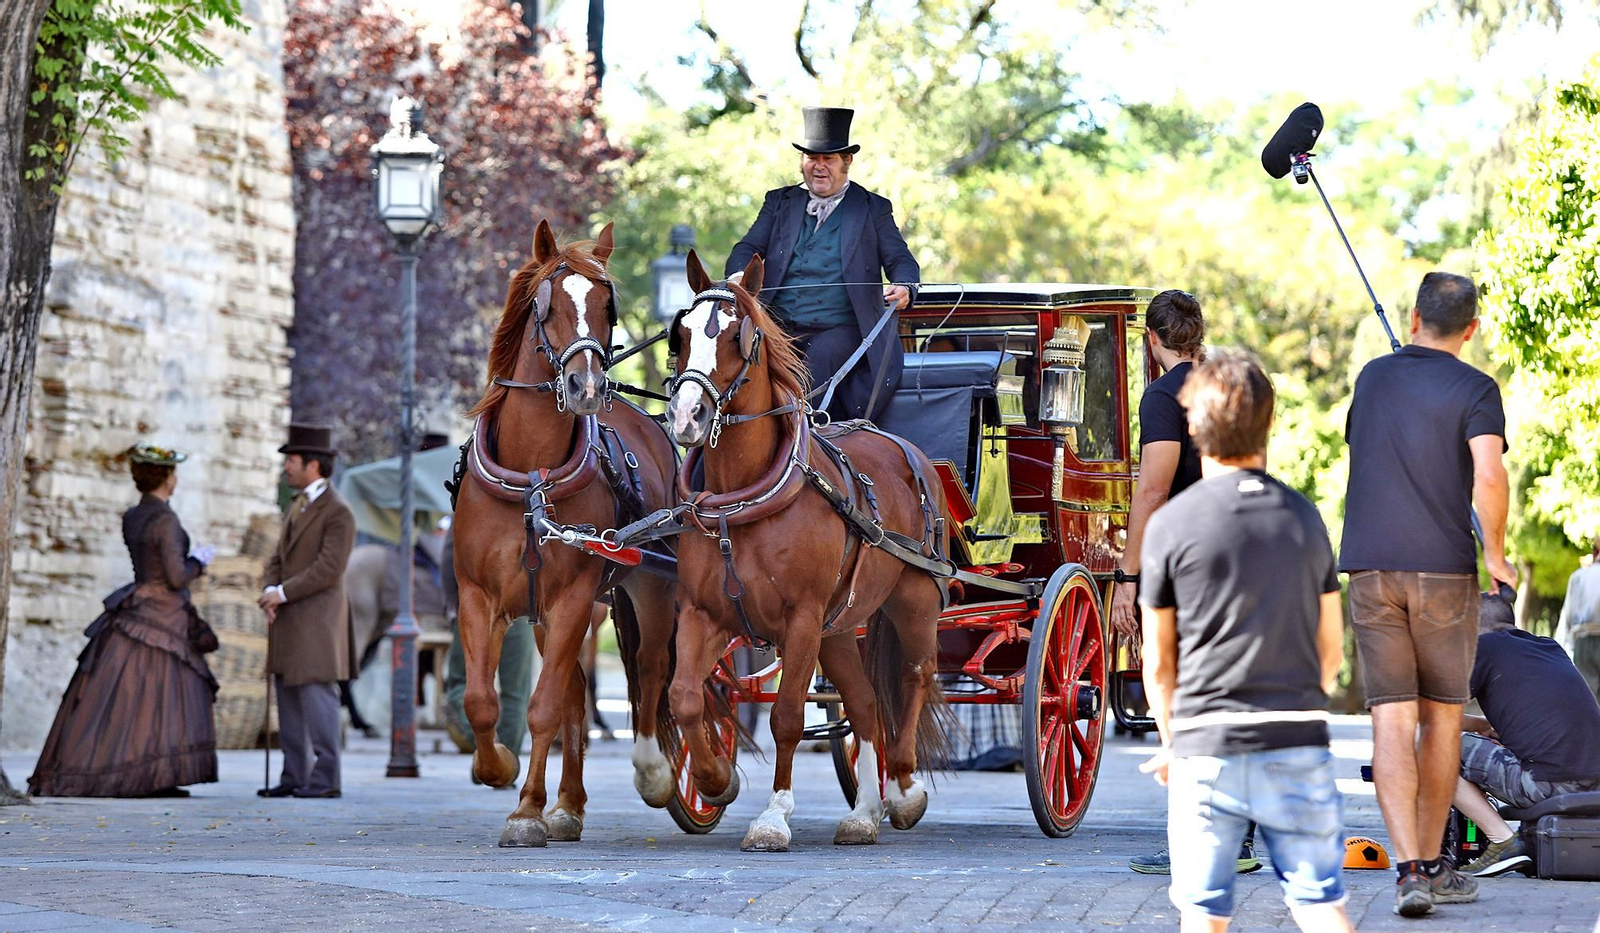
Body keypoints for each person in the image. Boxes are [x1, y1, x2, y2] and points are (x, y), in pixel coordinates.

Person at [1139, 350, 1352, 933]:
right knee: (1320, 904)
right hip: (1297, 740)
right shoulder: (1304, 517)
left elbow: (1158, 662)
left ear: (1194, 428)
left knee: (1204, 914)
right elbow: (1330, 645)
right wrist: (1305, 702)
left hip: (1205, 744)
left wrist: (1168, 739)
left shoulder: (1170, 528)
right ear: (1269, 424)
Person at [1339, 271, 1514, 916]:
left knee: (1391, 718)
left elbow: (1368, 444)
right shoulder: (1477, 389)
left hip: (1370, 570)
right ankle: (1438, 869)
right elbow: (1489, 475)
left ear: (1414, 318)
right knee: (1440, 717)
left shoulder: (1372, 378)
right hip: (1442, 571)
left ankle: (1410, 869)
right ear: (1471, 329)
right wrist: (1494, 554)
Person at [1110, 290, 1260, 876]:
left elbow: (1152, 490)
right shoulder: (1235, 386)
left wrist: (1126, 575)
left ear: (1152, 341)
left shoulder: (1163, 396)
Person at [29, 443, 219, 798]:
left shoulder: (133, 515)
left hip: (137, 606)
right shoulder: (166, 519)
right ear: (165, 477)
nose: (176, 479)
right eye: (173, 473)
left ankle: (149, 774)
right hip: (164, 613)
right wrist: (200, 561)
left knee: (137, 695)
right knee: (160, 695)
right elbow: (176, 577)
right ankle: (149, 775)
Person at [725, 106, 920, 422]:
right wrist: (737, 276)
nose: (818, 167)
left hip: (840, 328)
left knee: (819, 358)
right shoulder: (778, 202)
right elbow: (748, 247)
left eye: (828, 159)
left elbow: (901, 260)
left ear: (846, 162)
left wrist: (905, 286)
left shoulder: (873, 208)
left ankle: (803, 436)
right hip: (776, 322)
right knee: (731, 355)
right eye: (811, 158)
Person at [1450, 599, 1600, 876]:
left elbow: (1437, 716)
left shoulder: (1482, 648)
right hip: (1594, 787)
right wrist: (1484, 725)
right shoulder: (1548, 647)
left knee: (1432, 747)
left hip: (1545, 785)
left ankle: (1502, 841)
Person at [258, 423, 357, 799]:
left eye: (292, 460)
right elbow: (277, 557)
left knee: (317, 698)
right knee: (288, 696)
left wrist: (281, 593)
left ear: (313, 465)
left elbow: (329, 569)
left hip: (317, 621)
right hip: (287, 617)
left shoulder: (339, 512)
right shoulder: (296, 504)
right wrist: (270, 588)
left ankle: (325, 777)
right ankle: (294, 774)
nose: (286, 467)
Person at [1555, 541, 1600, 703]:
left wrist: (1564, 647)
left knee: (1589, 698)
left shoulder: (1579, 576)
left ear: (1595, 552)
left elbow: (1568, 614)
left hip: (1584, 639)